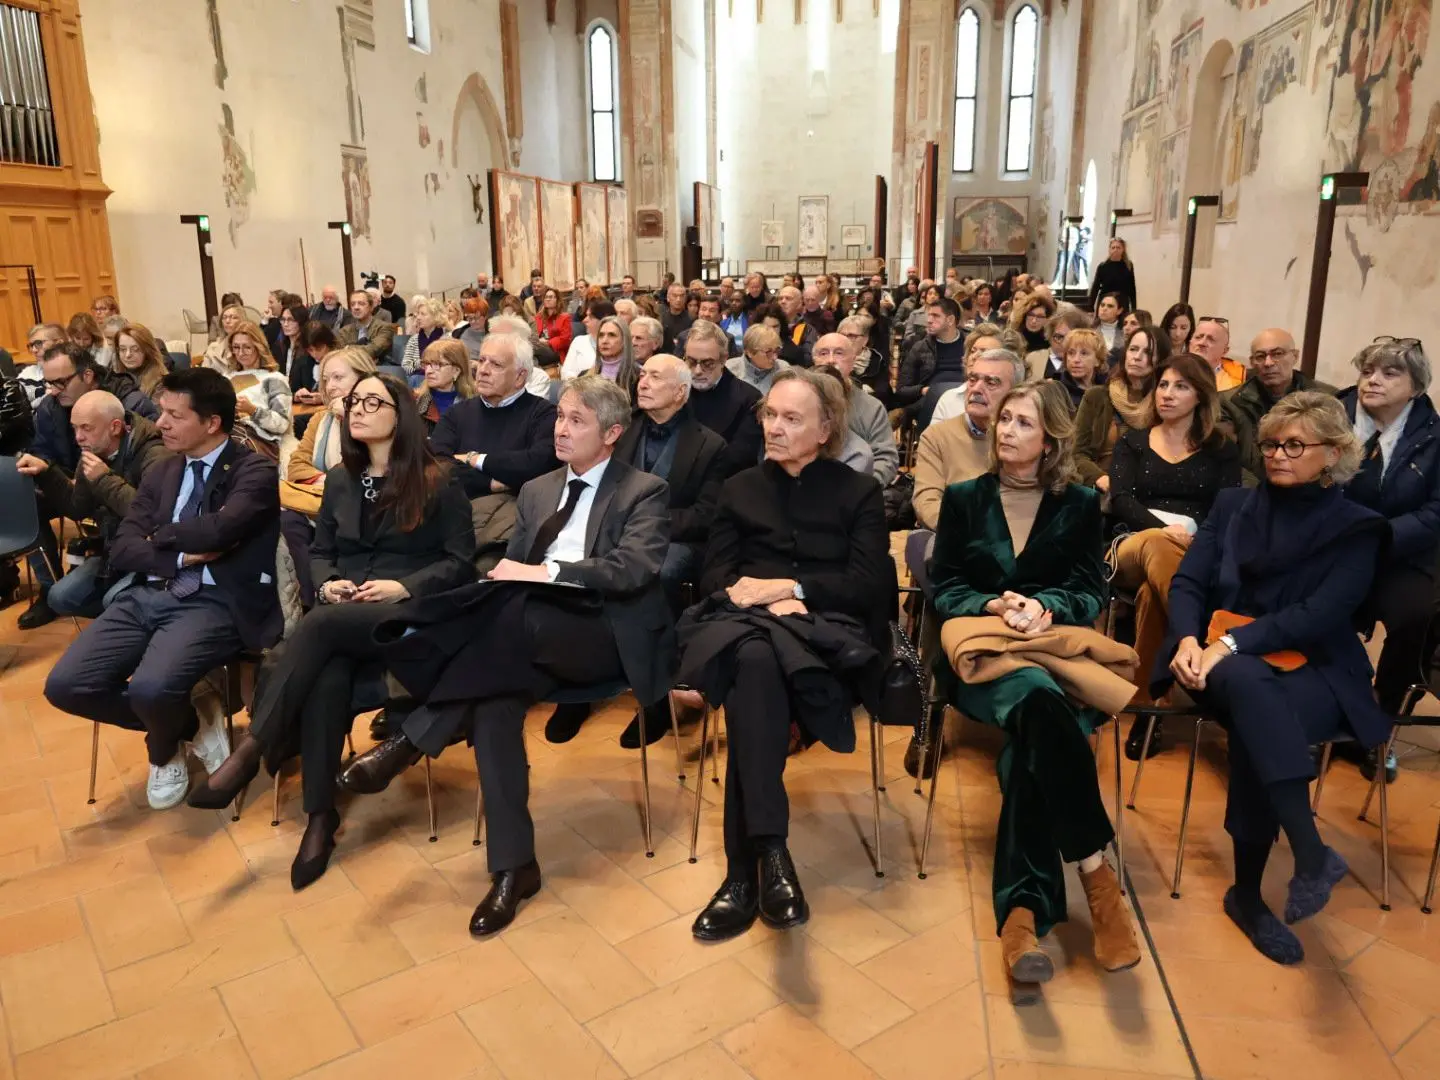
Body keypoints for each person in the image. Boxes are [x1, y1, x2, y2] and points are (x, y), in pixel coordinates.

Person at [337, 375, 675, 936]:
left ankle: (412, 736)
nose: (560, 430)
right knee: (493, 701)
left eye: (576, 422)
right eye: (560, 417)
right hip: (521, 642)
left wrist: (545, 572)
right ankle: (514, 869)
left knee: (508, 609)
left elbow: (630, 570)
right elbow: (513, 572)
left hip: (601, 635)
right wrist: (519, 576)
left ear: (612, 434)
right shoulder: (539, 488)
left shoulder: (644, 490)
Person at [188, 371, 475, 886]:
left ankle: (254, 748)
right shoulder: (343, 478)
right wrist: (328, 586)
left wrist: (401, 587)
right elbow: (321, 553)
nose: (357, 409)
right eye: (354, 400)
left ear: (400, 414)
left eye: (372, 401)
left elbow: (459, 563)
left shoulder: (439, 477)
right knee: (325, 673)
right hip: (343, 620)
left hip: (411, 619)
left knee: (318, 633)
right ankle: (320, 817)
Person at [1158, 392, 1388, 966]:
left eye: (1294, 445)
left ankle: (1251, 892)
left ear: (1332, 454)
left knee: (1262, 708)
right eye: (1270, 445)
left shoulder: (1360, 528)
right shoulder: (1234, 505)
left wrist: (1231, 644)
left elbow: (1322, 614)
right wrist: (1189, 638)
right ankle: (1306, 854)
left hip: (1315, 664)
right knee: (1250, 687)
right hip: (1213, 655)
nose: (1278, 455)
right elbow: (1188, 582)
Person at [929, 381, 1142, 989]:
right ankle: (1097, 876)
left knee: (1034, 743)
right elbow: (942, 585)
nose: (1006, 431)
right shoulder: (966, 497)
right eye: (1004, 420)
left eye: (1023, 423)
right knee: (1044, 710)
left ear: (1050, 439)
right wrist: (995, 604)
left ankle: (1021, 917)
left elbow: (1087, 591)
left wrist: (1045, 606)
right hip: (985, 658)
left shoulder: (1077, 504)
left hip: (1050, 653)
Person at [682, 368, 891, 942]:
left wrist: (789, 589)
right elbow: (717, 576)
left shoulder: (858, 491)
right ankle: (771, 854)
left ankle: (742, 876)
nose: (773, 427)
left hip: (826, 641)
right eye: (769, 414)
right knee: (755, 659)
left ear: (825, 430)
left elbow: (869, 585)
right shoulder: (741, 487)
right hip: (752, 628)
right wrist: (761, 599)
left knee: (752, 669)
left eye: (791, 418)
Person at [43, 368, 282, 809]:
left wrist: (163, 535)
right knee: (66, 685)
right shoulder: (163, 471)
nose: (160, 423)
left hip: (213, 600)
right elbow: (125, 547)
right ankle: (190, 723)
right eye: (162, 412)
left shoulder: (255, 470)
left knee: (151, 689)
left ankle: (163, 748)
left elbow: (222, 529)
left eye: (174, 415)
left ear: (211, 423)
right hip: (149, 591)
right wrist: (177, 554)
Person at [1109, 354, 1242, 753]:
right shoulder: (1133, 439)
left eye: (1180, 387)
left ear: (1201, 397)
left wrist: (1197, 542)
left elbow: (1227, 508)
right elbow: (1120, 499)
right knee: (1156, 545)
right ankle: (1202, 637)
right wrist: (1162, 529)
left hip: (1195, 551)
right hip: (1132, 543)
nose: (1167, 394)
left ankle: (1151, 708)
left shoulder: (1222, 448)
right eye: (1163, 385)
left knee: (1154, 594)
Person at [1338, 338, 1440, 782]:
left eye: (1389, 373)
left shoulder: (1433, 435)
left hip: (1401, 554)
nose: (1373, 380)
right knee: (1315, 610)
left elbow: (1436, 511)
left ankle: (1381, 726)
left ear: (1416, 388)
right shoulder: (1332, 417)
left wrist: (1383, 536)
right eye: (1368, 371)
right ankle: (1323, 714)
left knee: (1419, 616)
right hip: (1334, 550)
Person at [16, 390, 169, 619]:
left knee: (112, 601)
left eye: (86, 428)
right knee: (59, 597)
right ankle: (120, 614)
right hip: (112, 552)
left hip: (148, 557)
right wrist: (47, 472)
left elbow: (150, 516)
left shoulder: (155, 453)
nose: (78, 437)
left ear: (115, 427)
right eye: (74, 428)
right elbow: (77, 507)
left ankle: (131, 613)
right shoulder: (94, 449)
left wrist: (103, 479)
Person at [431, 330, 559, 571]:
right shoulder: (458, 414)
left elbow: (538, 464)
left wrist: (474, 459)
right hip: (452, 516)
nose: (483, 370)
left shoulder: (543, 414)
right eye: (482, 361)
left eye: (496, 364)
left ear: (520, 377)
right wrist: (494, 481)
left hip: (508, 527)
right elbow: (436, 465)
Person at [911, 348, 1026, 531]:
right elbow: (927, 502)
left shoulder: (1026, 438)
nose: (976, 389)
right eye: (973, 379)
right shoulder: (937, 437)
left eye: (991, 382)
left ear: (1015, 393)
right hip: (959, 541)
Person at [1221, 328, 1336, 477]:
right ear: (1252, 362)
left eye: (1277, 354)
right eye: (1260, 356)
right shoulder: (1230, 402)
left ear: (1295, 356)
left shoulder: (1326, 399)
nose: (1268, 363)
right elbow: (1226, 459)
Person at [1074, 324, 1167, 488]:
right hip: (1099, 488)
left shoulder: (1164, 403)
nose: (1137, 357)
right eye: (1133, 349)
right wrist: (1101, 479)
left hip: (1143, 492)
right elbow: (1077, 453)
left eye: (1147, 352)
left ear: (1160, 360)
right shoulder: (1097, 396)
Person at [811, 333, 899, 486]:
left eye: (839, 353)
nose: (831, 360)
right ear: (813, 360)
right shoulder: (797, 402)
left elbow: (886, 458)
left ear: (853, 361)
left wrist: (862, 490)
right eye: (823, 353)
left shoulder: (871, 407)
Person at [686, 319, 764, 476]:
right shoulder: (678, 390)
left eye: (707, 363)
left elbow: (740, 458)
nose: (698, 370)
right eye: (691, 362)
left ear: (724, 359)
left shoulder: (750, 399)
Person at [896, 296, 966, 432]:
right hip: (931, 399)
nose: (928, 320)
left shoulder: (970, 344)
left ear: (950, 320)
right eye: (929, 315)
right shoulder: (920, 347)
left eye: (935, 316)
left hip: (965, 396)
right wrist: (922, 390)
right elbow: (902, 390)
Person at [224, 323, 293, 459]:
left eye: (247, 347)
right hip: (226, 432)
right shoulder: (226, 378)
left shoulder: (273, 378)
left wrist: (252, 410)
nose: (241, 353)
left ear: (258, 347)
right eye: (236, 347)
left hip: (258, 440)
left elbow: (281, 424)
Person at [413, 338, 476, 432]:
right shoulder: (413, 401)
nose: (428, 371)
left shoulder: (475, 404)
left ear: (456, 371)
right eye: (426, 364)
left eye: (437, 364)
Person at [838, 313, 894, 407]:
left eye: (852, 336)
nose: (846, 340)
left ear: (865, 340)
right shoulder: (830, 360)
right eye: (842, 335)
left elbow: (882, 395)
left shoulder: (877, 361)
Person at [111, 322, 169, 403]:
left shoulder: (161, 382)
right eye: (123, 349)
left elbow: (154, 415)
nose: (128, 355)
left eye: (135, 349)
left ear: (148, 350)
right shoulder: (115, 376)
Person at [1056, 326, 1107, 412]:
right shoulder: (1056, 391)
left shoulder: (1107, 390)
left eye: (1084, 353)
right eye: (1071, 353)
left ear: (1097, 360)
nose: (1076, 360)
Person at [337, 290, 396, 363]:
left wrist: (348, 348)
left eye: (361, 304)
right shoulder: (344, 331)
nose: (356, 307)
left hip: (378, 370)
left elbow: (373, 350)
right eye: (352, 304)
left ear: (371, 307)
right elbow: (339, 353)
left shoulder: (385, 328)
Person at [560, 300, 615, 378]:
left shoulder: (617, 345)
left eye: (590, 317)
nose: (584, 320)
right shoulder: (579, 341)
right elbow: (565, 372)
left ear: (604, 319)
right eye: (586, 315)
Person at [728, 324, 789, 394]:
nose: (775, 357)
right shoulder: (730, 370)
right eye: (768, 352)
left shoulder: (784, 370)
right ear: (750, 352)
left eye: (777, 350)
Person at [1190, 316, 1246, 392]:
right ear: (1190, 343)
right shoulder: (1173, 371)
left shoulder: (1233, 387)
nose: (1202, 343)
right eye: (1198, 337)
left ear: (1224, 351)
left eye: (1211, 339)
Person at [400, 296, 450, 374]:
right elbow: (405, 366)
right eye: (418, 314)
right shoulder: (414, 339)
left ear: (435, 316)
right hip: (417, 380)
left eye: (423, 314)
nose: (418, 317)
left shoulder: (446, 338)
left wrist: (428, 364)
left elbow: (449, 366)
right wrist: (420, 363)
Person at [1088, 237, 1137, 312]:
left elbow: (1132, 288)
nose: (1115, 250)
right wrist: (1090, 307)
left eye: (1118, 247)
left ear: (1123, 249)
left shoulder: (1128, 266)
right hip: (1105, 301)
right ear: (1109, 249)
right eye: (1113, 247)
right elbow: (1096, 287)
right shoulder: (1103, 266)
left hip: (1122, 302)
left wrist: (1134, 308)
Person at [534, 287, 574, 367]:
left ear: (557, 300)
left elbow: (565, 339)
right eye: (546, 297)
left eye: (551, 297)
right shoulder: (539, 317)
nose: (548, 299)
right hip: (539, 346)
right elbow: (534, 333)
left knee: (535, 350)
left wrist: (548, 343)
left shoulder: (564, 317)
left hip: (556, 350)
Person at [202, 305, 247, 374]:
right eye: (224, 318)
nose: (227, 321)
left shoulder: (250, 345)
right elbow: (203, 376)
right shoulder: (213, 348)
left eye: (233, 317)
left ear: (242, 320)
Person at [453, 296, 491, 362]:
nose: (473, 321)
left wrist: (478, 365)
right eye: (470, 318)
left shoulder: (493, 336)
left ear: (485, 316)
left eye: (476, 318)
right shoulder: (460, 333)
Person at [660, 283, 694, 353]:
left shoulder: (692, 320)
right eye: (675, 296)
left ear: (685, 298)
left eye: (682, 296)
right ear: (668, 298)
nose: (678, 299)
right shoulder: (661, 319)